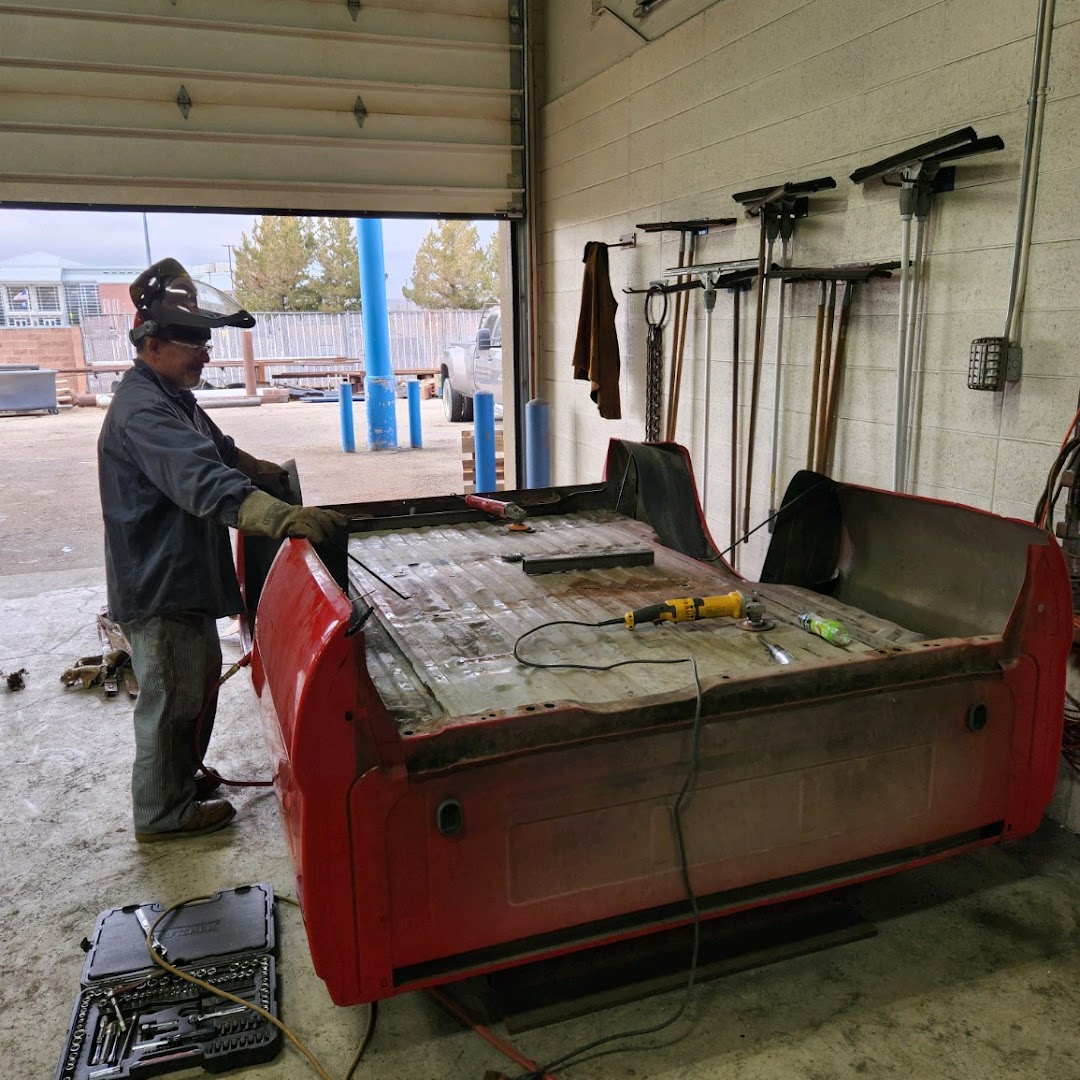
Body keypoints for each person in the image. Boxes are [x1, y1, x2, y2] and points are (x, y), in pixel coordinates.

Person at [98, 258, 348, 843]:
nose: (206, 356)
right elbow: (204, 480)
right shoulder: (143, 412)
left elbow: (221, 452)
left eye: (207, 344)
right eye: (194, 345)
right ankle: (162, 812)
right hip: (157, 582)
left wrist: (268, 474)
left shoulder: (172, 396)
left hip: (179, 573)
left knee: (194, 685)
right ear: (153, 345)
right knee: (172, 699)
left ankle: (180, 782)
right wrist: (280, 518)